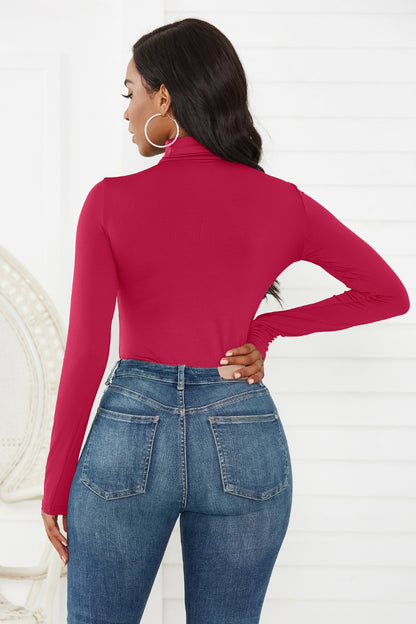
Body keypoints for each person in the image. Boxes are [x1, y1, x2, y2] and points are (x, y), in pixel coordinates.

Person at [41, 17, 410, 624]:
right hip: (240, 432)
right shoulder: (282, 201)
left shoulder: (109, 201)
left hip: (130, 435)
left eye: (131, 92)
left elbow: (85, 352)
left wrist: (57, 485)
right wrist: (264, 330)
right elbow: (387, 293)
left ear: (164, 98)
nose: (127, 111)